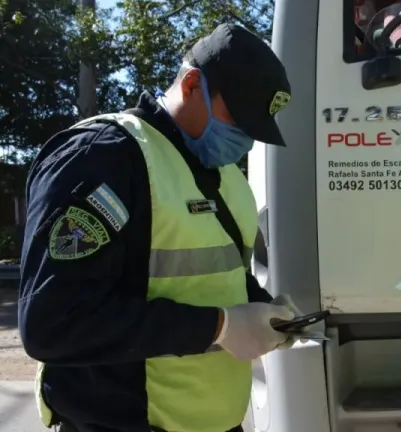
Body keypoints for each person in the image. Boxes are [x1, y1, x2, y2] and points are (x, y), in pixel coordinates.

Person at [18, 23, 305, 432]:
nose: (244, 139)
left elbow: (216, 275)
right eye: (238, 119)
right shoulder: (104, 158)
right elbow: (54, 324)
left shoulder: (225, 175)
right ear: (191, 84)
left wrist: (265, 311)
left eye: (254, 129)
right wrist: (219, 327)